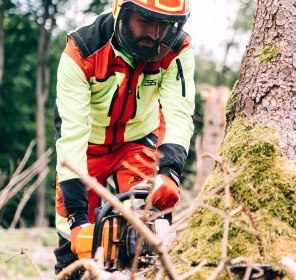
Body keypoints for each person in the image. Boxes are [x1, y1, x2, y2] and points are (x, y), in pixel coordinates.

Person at [53, 0, 195, 277]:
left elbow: (178, 112)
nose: (154, 34)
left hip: (138, 141)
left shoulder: (178, 48)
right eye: (145, 20)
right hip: (87, 148)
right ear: (122, 11)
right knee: (74, 242)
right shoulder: (82, 50)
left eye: (164, 24)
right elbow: (71, 134)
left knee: (147, 229)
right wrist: (77, 217)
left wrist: (170, 173)